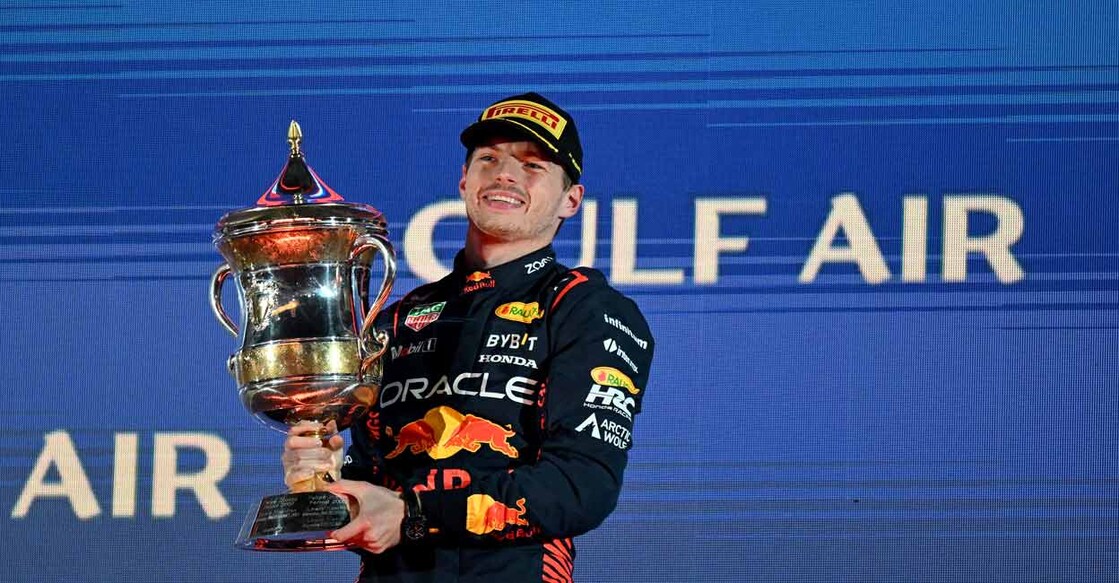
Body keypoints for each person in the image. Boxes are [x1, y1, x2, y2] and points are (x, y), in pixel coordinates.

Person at [283, 92, 654, 582]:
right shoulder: (397, 320)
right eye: (489, 159)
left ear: (571, 200)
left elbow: (581, 486)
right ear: (464, 181)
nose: (505, 174)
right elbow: (376, 496)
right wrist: (327, 476)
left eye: (533, 165)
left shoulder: (583, 307)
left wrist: (414, 513)